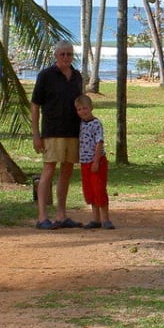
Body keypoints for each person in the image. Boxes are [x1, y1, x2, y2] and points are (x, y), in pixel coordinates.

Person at [31, 40, 84, 229]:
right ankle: (42, 217)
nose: (66, 58)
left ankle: (61, 215)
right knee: (48, 171)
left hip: (73, 130)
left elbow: (81, 104)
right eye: (62, 54)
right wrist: (36, 134)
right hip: (52, 131)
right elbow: (35, 105)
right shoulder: (46, 75)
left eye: (69, 54)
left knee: (67, 172)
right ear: (56, 55)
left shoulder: (77, 76)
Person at [74, 94, 114, 230]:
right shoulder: (80, 124)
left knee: (99, 189)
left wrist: (96, 161)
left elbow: (99, 142)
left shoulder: (96, 124)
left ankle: (105, 219)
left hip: (96, 161)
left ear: (91, 108)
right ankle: (95, 218)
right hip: (84, 162)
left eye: (84, 108)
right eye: (79, 109)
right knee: (89, 190)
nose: (82, 112)